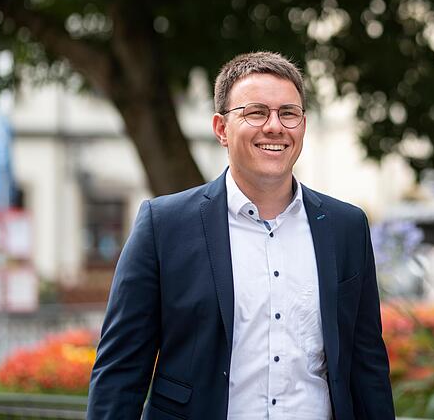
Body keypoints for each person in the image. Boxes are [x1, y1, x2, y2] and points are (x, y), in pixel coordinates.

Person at [87, 52, 395, 419]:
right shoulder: (163, 225)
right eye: (256, 112)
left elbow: (367, 366)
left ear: (303, 125)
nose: (275, 126)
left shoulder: (346, 227)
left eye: (288, 113)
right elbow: (121, 370)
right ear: (221, 128)